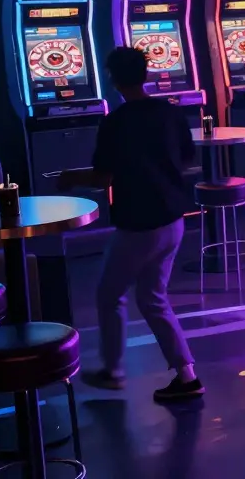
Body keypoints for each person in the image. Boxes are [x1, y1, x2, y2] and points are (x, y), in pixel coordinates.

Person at [59, 47, 202, 402]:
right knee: (153, 298)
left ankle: (113, 371)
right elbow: (186, 159)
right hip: (173, 219)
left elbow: (103, 178)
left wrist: (71, 178)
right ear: (146, 75)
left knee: (109, 294)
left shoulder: (116, 122)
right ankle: (186, 375)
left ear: (112, 79)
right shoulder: (170, 112)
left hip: (140, 224)